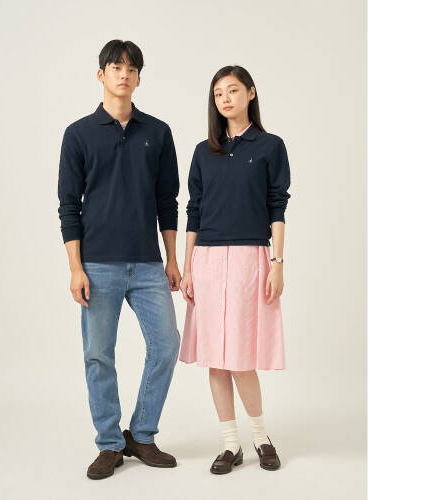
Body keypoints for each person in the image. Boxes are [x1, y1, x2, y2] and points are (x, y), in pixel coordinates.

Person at [57, 39, 181, 480]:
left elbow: (168, 202)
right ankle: (109, 443)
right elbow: (68, 206)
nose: (123, 74)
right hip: (97, 265)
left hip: (148, 263)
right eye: (115, 67)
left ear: (139, 78)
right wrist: (76, 268)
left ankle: (141, 434)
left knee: (166, 345)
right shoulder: (78, 134)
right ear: (101, 75)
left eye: (131, 68)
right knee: (98, 354)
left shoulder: (158, 133)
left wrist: (171, 259)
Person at [179, 65, 291, 474]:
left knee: (242, 357)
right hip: (207, 260)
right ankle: (230, 444)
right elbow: (194, 211)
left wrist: (277, 262)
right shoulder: (202, 151)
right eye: (218, 94)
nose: (225, 99)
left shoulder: (270, 146)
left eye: (232, 90)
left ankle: (260, 437)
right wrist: (188, 268)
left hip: (249, 258)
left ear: (250, 93)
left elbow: (277, 206)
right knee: (216, 358)